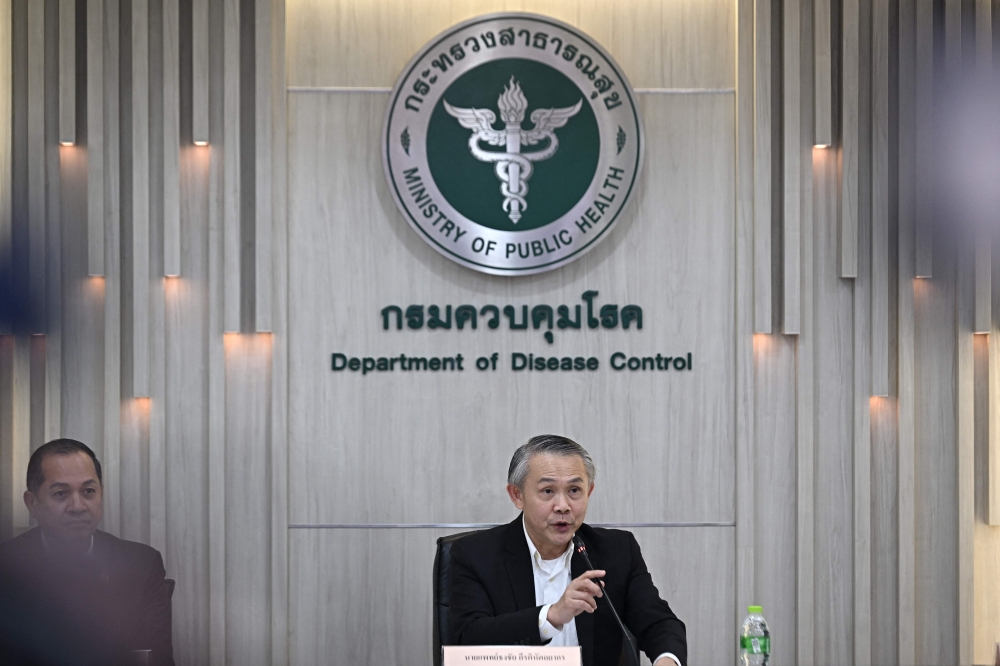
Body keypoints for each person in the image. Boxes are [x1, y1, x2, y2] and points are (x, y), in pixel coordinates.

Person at [450, 435, 687, 666]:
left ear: (589, 492)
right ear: (517, 495)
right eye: (547, 491)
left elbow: (659, 623)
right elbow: (468, 638)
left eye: (574, 490)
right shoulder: (475, 555)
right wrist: (551, 615)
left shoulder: (616, 551)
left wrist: (667, 660)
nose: (563, 506)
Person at [0, 438, 174, 666]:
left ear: (101, 493)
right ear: (32, 503)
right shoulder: (7, 566)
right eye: (61, 494)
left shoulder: (141, 564)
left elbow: (156, 659)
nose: (78, 506)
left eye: (88, 491)